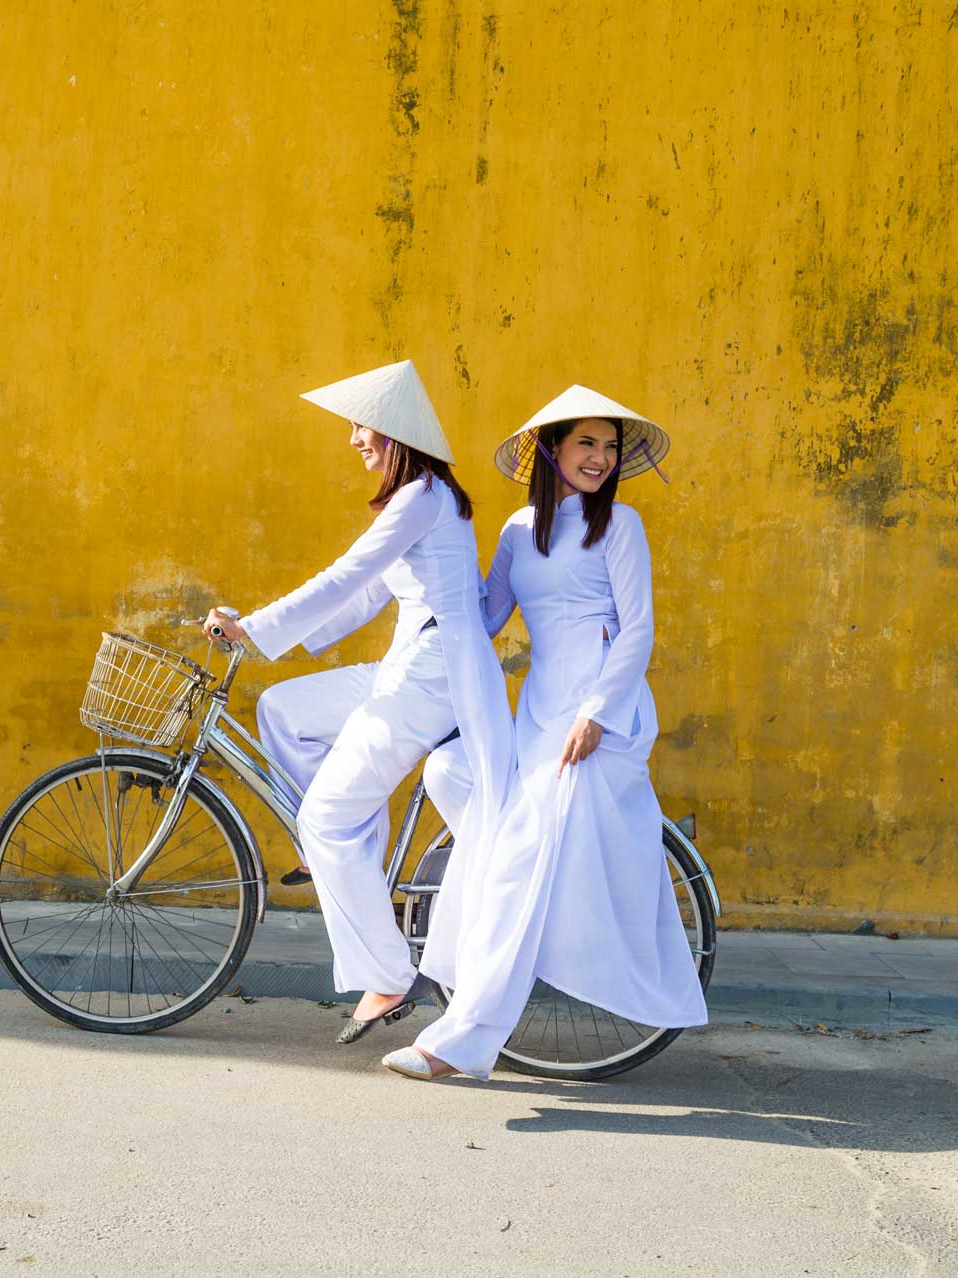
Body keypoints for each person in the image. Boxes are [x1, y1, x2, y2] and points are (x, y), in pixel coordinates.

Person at [386, 384, 709, 1080]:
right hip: (537, 713)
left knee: (517, 852)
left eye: (610, 445)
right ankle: (524, 931)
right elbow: (486, 614)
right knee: (452, 779)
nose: (601, 457)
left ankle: (466, 1038)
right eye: (586, 443)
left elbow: (639, 630)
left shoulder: (619, 525)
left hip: (597, 715)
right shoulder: (514, 532)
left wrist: (597, 712)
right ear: (550, 449)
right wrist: (424, 575)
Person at [203, 359, 514, 1045]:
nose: (353, 439)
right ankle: (349, 845)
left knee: (326, 816)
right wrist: (264, 635)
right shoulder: (424, 498)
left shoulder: (421, 496)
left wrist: (253, 628)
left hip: (431, 677)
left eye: (361, 425)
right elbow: (371, 592)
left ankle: (387, 971)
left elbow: (349, 573)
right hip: (409, 665)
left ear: (395, 432)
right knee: (284, 710)